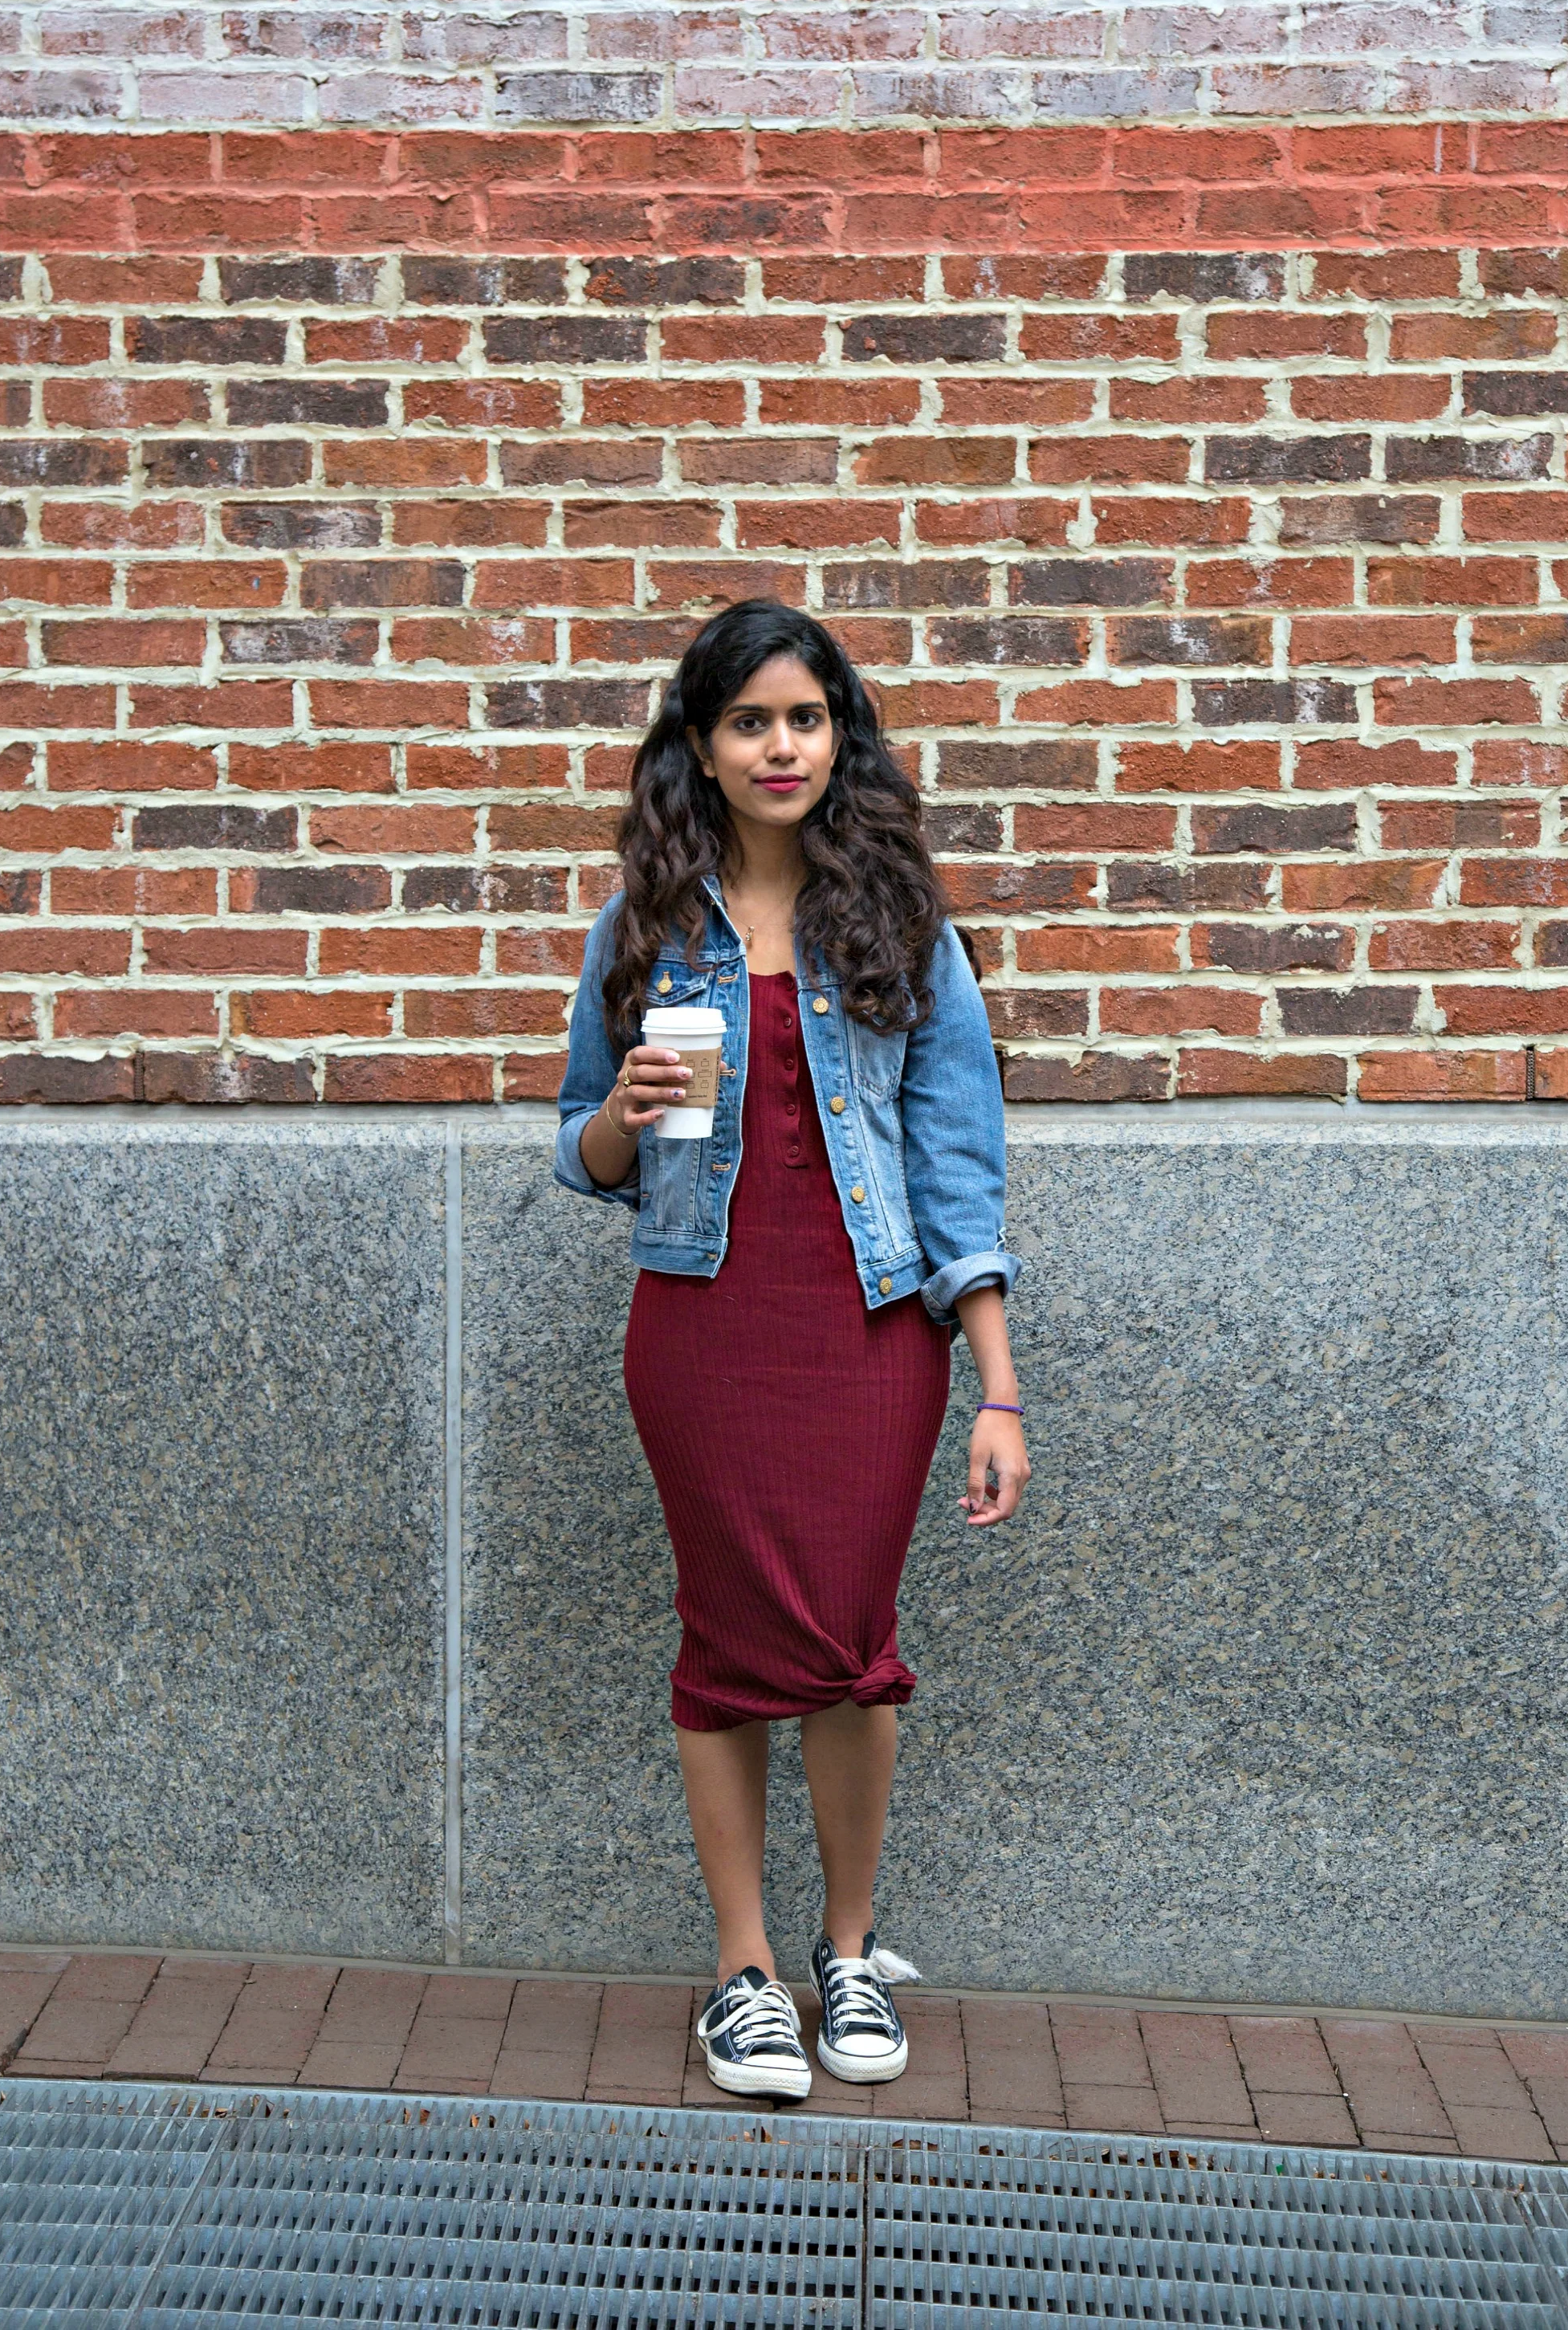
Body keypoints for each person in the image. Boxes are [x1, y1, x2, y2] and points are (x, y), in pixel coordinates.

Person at [555, 600, 1026, 2100]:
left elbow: (958, 1165)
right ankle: (742, 1970)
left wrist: (996, 1383)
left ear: (842, 738)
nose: (781, 746)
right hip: (700, 1328)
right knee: (726, 1635)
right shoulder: (643, 928)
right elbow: (586, 1153)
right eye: (750, 720)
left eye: (806, 718)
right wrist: (625, 1109)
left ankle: (846, 1946)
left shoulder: (900, 925)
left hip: (873, 1331)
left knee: (846, 1649)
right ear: (700, 742)